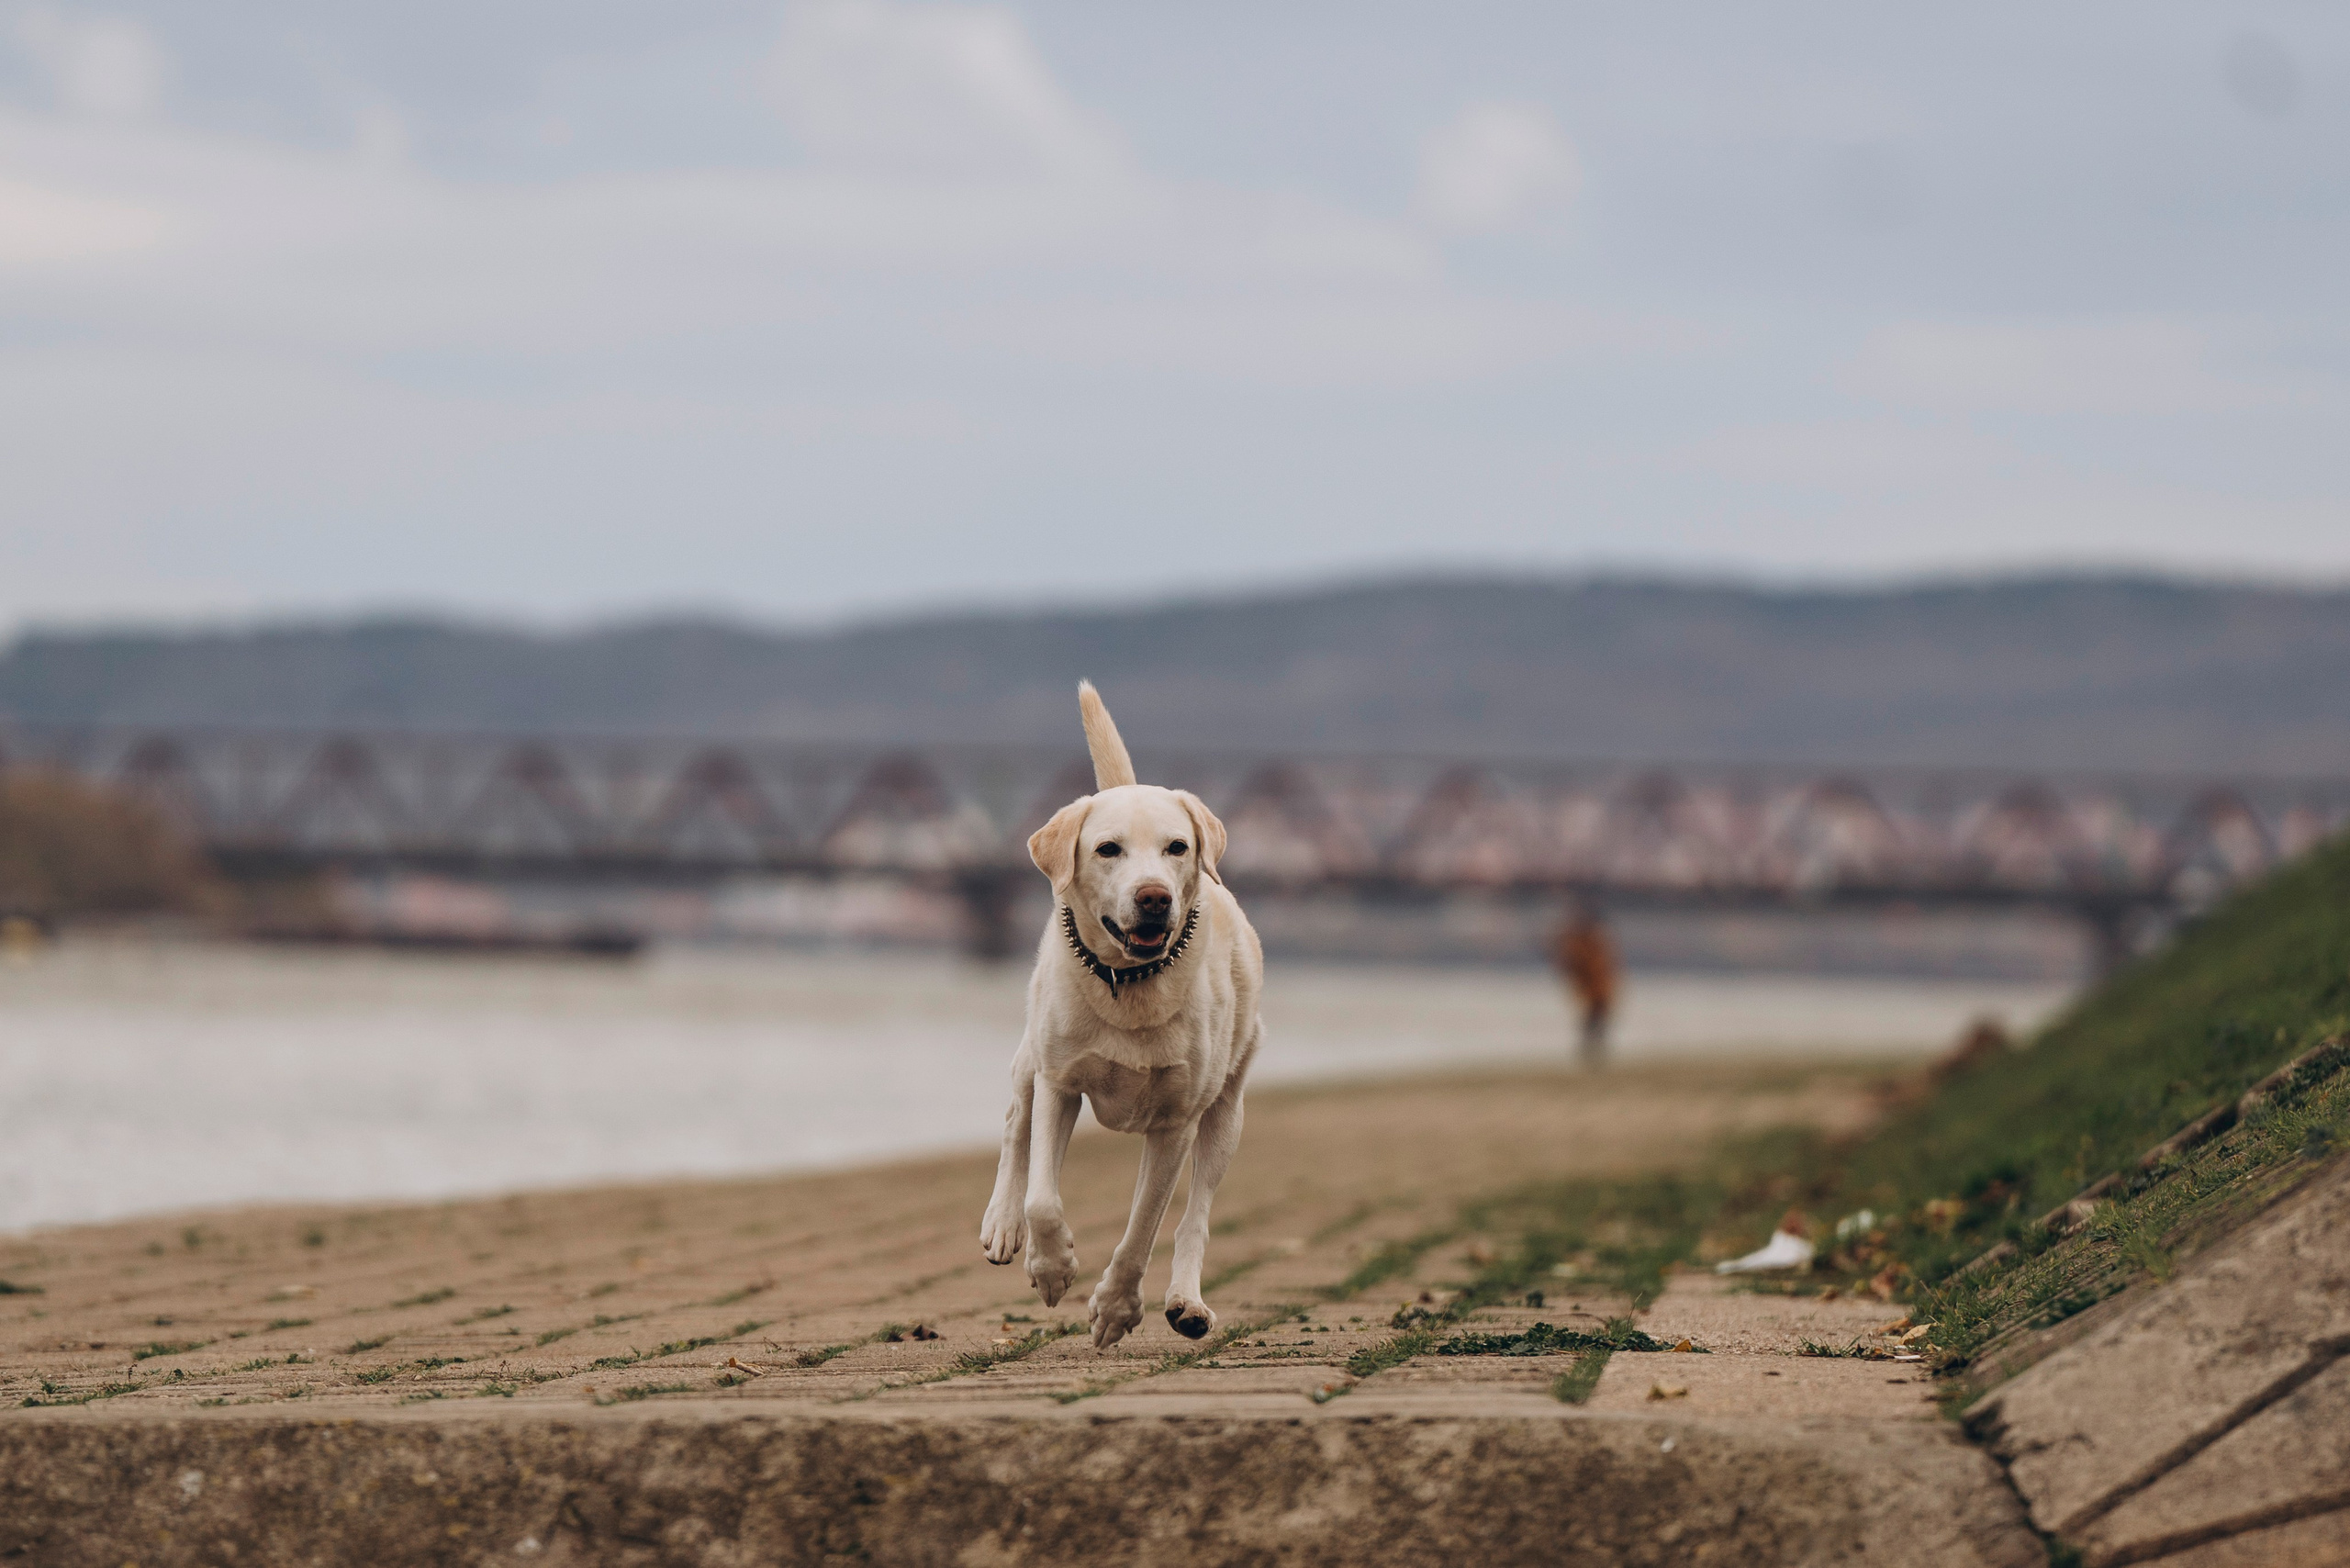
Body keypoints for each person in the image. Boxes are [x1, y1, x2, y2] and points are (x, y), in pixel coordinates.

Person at [1551, 905, 1618, 1069]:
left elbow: (1576, 963)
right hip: (1598, 991)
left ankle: (1592, 1056)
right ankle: (1593, 1056)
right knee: (1594, 1024)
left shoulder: (1591, 943)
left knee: (1593, 1023)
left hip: (1597, 991)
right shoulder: (1593, 942)